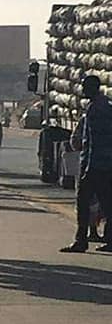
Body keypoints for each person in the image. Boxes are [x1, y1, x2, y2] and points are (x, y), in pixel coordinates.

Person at [60, 74, 112, 253]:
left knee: (84, 202)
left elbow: (94, 140)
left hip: (95, 165)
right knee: (106, 203)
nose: (82, 90)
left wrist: (88, 167)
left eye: (85, 86)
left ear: (92, 88)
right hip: (104, 164)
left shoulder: (96, 109)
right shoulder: (103, 106)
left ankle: (81, 240)